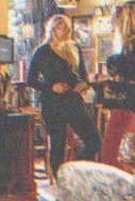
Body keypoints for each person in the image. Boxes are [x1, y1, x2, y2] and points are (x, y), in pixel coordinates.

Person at [27, 14, 101, 178]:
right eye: (63, 27)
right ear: (53, 30)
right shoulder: (42, 52)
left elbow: (83, 76)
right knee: (58, 144)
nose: (67, 30)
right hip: (52, 102)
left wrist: (83, 84)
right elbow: (30, 80)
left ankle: (74, 172)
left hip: (72, 100)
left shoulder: (74, 48)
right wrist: (52, 87)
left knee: (93, 140)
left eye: (68, 27)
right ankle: (61, 183)